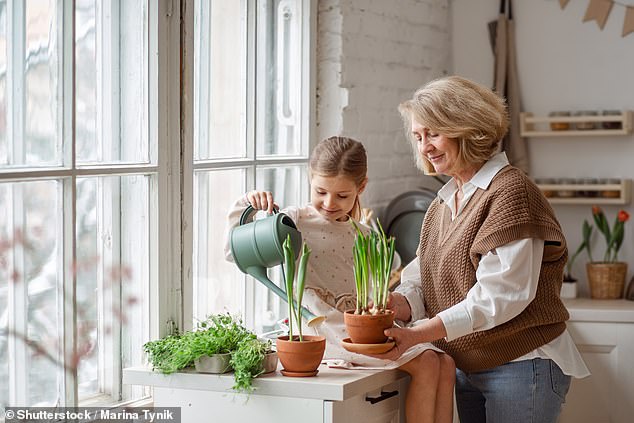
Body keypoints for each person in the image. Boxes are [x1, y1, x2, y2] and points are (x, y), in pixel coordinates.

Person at [372, 75, 590, 423]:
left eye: (434, 133)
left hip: (522, 364)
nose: (424, 146)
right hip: (469, 364)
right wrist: (398, 301)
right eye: (418, 136)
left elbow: (501, 295)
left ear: (466, 128)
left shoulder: (510, 193)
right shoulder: (443, 204)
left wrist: (418, 333)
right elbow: (422, 277)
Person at [224, 136, 455, 423]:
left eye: (342, 196)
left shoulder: (364, 234)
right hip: (325, 328)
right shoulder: (294, 221)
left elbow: (376, 288)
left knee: (446, 363)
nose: (329, 203)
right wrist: (246, 205)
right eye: (320, 191)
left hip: (359, 325)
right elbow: (234, 253)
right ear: (310, 178)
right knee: (429, 362)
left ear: (361, 187)